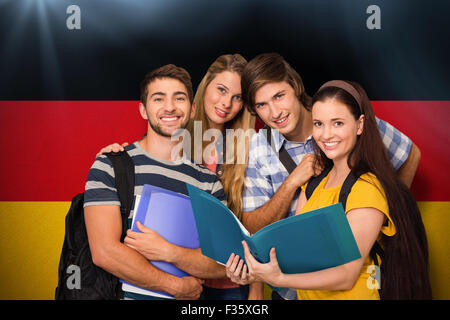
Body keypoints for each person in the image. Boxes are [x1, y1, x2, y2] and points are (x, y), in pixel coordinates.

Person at [225, 53, 422, 300]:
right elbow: (286, 237)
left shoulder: (365, 180)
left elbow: (347, 273)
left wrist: (383, 216)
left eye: (279, 96)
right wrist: (256, 273)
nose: (274, 112)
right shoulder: (276, 160)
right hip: (293, 291)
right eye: (262, 105)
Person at [96, 54, 263, 300]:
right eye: (221, 90)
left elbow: (245, 238)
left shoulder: (242, 152)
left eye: (237, 97)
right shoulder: (146, 148)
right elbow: (105, 250)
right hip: (152, 285)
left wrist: (255, 288)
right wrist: (116, 159)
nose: (226, 103)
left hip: (224, 281)